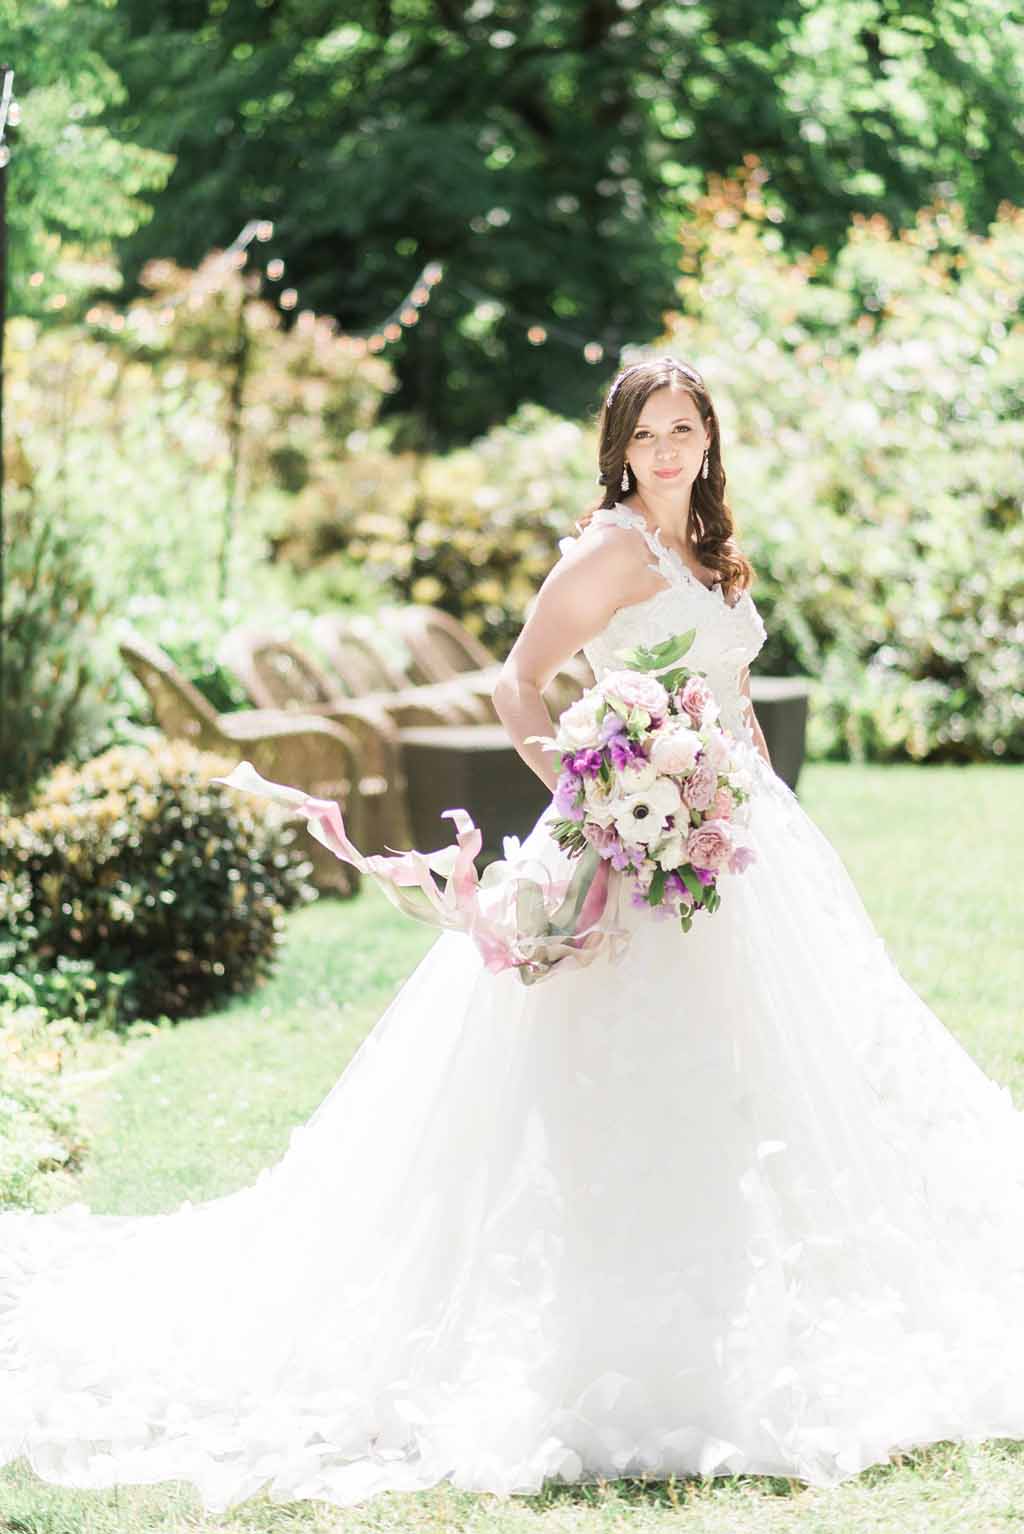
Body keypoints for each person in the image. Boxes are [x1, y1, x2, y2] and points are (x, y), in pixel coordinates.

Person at [3, 355, 1023, 1515]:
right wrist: (593, 784)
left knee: (786, 1066)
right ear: (621, 448)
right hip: (623, 843)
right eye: (649, 433)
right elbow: (518, 682)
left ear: (710, 439)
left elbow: (730, 698)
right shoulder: (608, 552)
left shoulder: (712, 551)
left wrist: (742, 799)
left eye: (687, 427)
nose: (670, 448)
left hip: (740, 841)